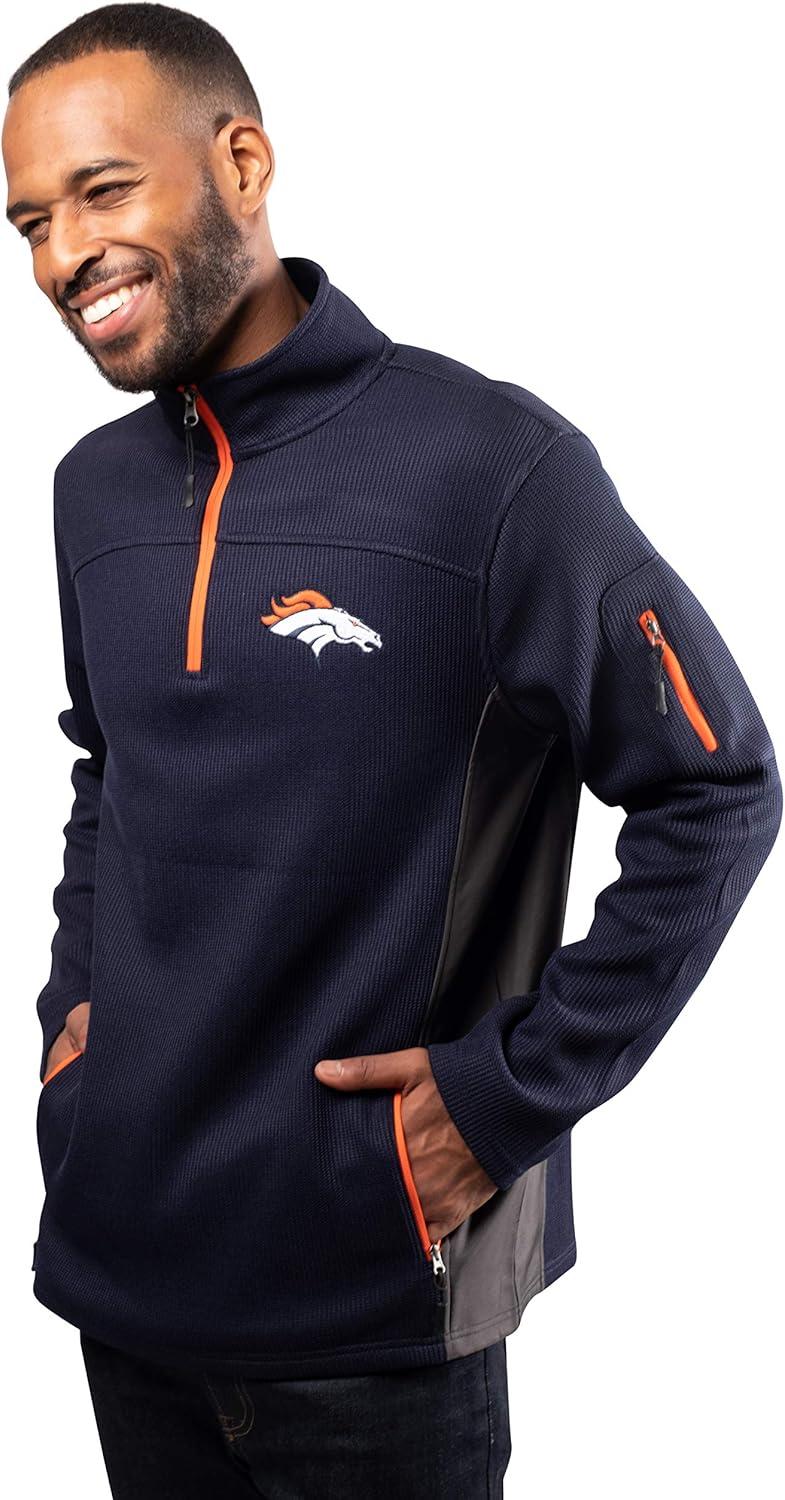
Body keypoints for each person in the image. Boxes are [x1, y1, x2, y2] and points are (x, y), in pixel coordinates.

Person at [3, 5, 780, 1497]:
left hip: (374, 1298)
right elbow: (109, 770)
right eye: (31, 222)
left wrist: (506, 1095)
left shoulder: (490, 467)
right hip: (126, 1275)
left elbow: (717, 784)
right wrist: (72, 1026)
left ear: (242, 162)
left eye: (103, 193)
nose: (61, 257)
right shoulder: (90, 492)